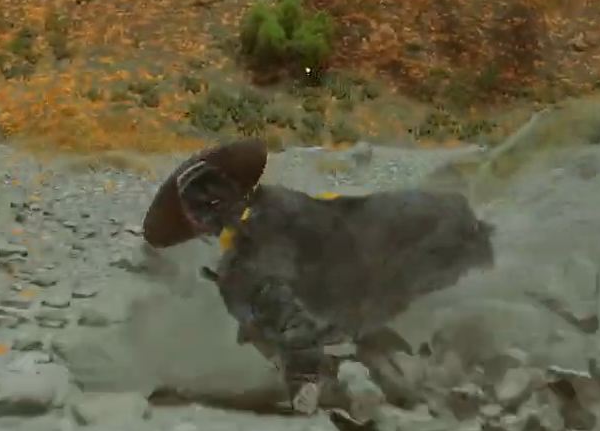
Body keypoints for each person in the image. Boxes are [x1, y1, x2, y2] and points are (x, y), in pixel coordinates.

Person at [143, 138, 495, 414]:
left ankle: (373, 377)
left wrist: (303, 376)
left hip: (377, 284)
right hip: (406, 254)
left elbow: (287, 315)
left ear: (202, 222)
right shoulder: (279, 203)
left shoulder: (245, 265)